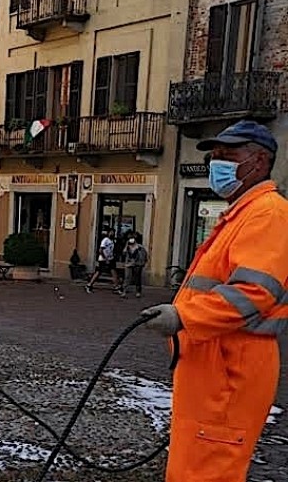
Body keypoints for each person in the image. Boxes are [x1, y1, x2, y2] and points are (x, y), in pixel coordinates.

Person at [141, 120, 288, 482]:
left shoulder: (269, 213)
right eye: (215, 155)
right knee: (192, 465)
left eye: (228, 154)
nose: (217, 162)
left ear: (259, 162)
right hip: (213, 365)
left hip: (230, 370)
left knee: (209, 468)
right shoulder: (243, 213)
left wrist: (182, 317)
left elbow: (254, 292)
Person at [84, 229, 121, 294]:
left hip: (110, 259)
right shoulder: (105, 240)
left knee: (114, 272)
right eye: (111, 233)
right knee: (99, 272)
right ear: (108, 233)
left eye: (113, 233)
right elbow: (100, 250)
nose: (112, 234)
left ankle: (116, 287)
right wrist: (105, 259)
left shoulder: (112, 241)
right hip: (103, 259)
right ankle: (89, 285)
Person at [121, 233, 147, 298]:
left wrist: (143, 263)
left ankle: (138, 291)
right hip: (128, 264)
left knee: (137, 278)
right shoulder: (127, 247)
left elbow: (144, 256)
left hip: (137, 264)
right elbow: (123, 253)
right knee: (127, 277)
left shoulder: (140, 247)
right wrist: (126, 245)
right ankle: (124, 291)